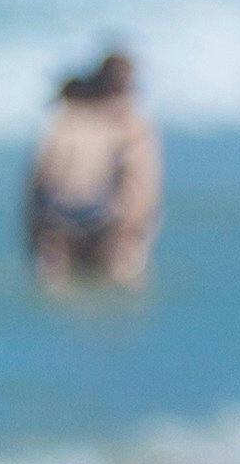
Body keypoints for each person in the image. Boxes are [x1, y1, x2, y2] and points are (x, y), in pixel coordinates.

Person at [26, 48, 162, 293]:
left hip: (56, 223)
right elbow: (141, 190)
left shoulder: (63, 118)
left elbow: (38, 181)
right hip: (110, 226)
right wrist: (132, 238)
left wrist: (36, 238)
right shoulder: (133, 126)